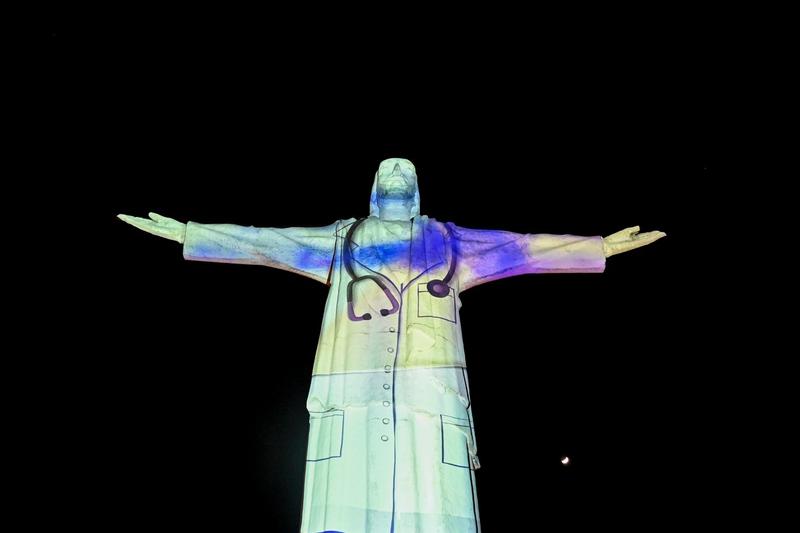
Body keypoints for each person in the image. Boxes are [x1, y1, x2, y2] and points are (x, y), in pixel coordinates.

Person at [119, 157, 665, 533]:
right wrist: (194, 234)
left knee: (432, 507)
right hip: (352, 399)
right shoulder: (342, 241)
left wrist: (596, 247)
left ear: (417, 188)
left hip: (429, 400)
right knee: (350, 506)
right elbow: (268, 242)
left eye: (406, 169)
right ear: (376, 188)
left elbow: (520, 248)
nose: (397, 171)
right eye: (388, 169)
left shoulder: (451, 242)